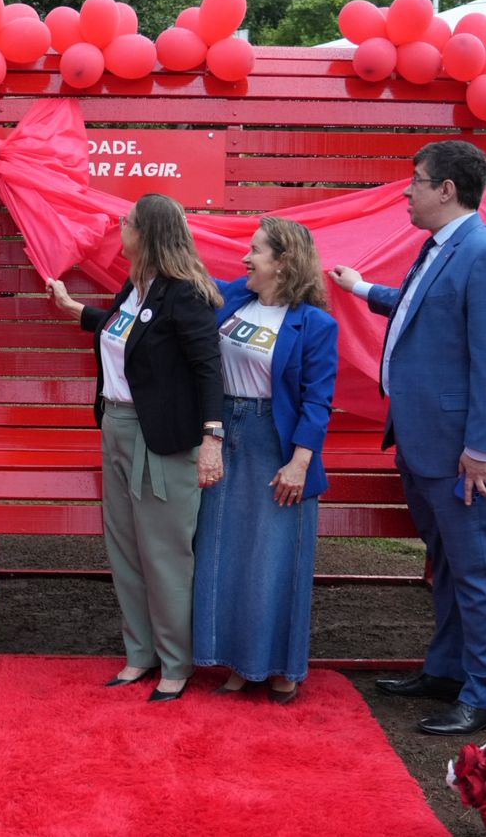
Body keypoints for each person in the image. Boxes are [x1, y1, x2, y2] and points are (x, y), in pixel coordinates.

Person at [328, 140, 486, 735]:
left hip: (461, 450)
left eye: (416, 181)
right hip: (425, 440)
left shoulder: (484, 253)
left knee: (476, 571)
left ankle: (483, 694)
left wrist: (480, 449)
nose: (407, 191)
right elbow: (421, 306)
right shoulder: (441, 246)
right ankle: (446, 671)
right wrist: (363, 288)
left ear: (447, 189)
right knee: (446, 566)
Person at [46, 193, 224, 703]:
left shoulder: (184, 292)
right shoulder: (136, 286)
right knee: (124, 549)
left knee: (164, 554)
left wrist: (213, 439)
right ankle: (140, 654)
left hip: (162, 439)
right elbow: (125, 334)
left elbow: (208, 368)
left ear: (147, 233)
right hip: (117, 427)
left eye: (125, 222)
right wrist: (76, 310)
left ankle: (176, 663)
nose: (118, 227)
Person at [194, 218, 339, 706]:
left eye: (255, 251)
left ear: (283, 261)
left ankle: (277, 666)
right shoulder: (236, 297)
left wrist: (300, 462)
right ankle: (237, 661)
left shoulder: (315, 324)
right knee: (224, 550)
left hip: (276, 444)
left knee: (274, 559)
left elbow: (318, 401)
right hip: (224, 434)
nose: (244, 258)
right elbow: (185, 275)